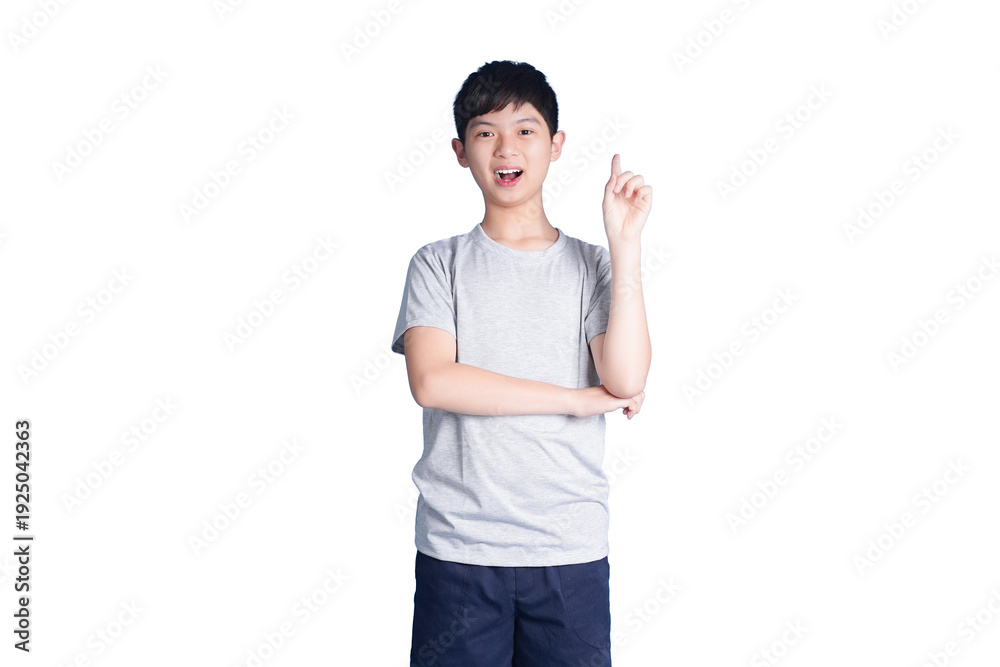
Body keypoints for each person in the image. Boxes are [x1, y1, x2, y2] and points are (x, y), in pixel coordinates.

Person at [391, 59, 652, 667]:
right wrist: (574, 399)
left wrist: (625, 246)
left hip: (569, 552)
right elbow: (433, 381)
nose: (506, 148)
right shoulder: (438, 263)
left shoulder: (593, 265)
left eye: (525, 130)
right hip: (460, 549)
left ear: (556, 144)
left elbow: (626, 379)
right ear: (461, 151)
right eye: (486, 132)